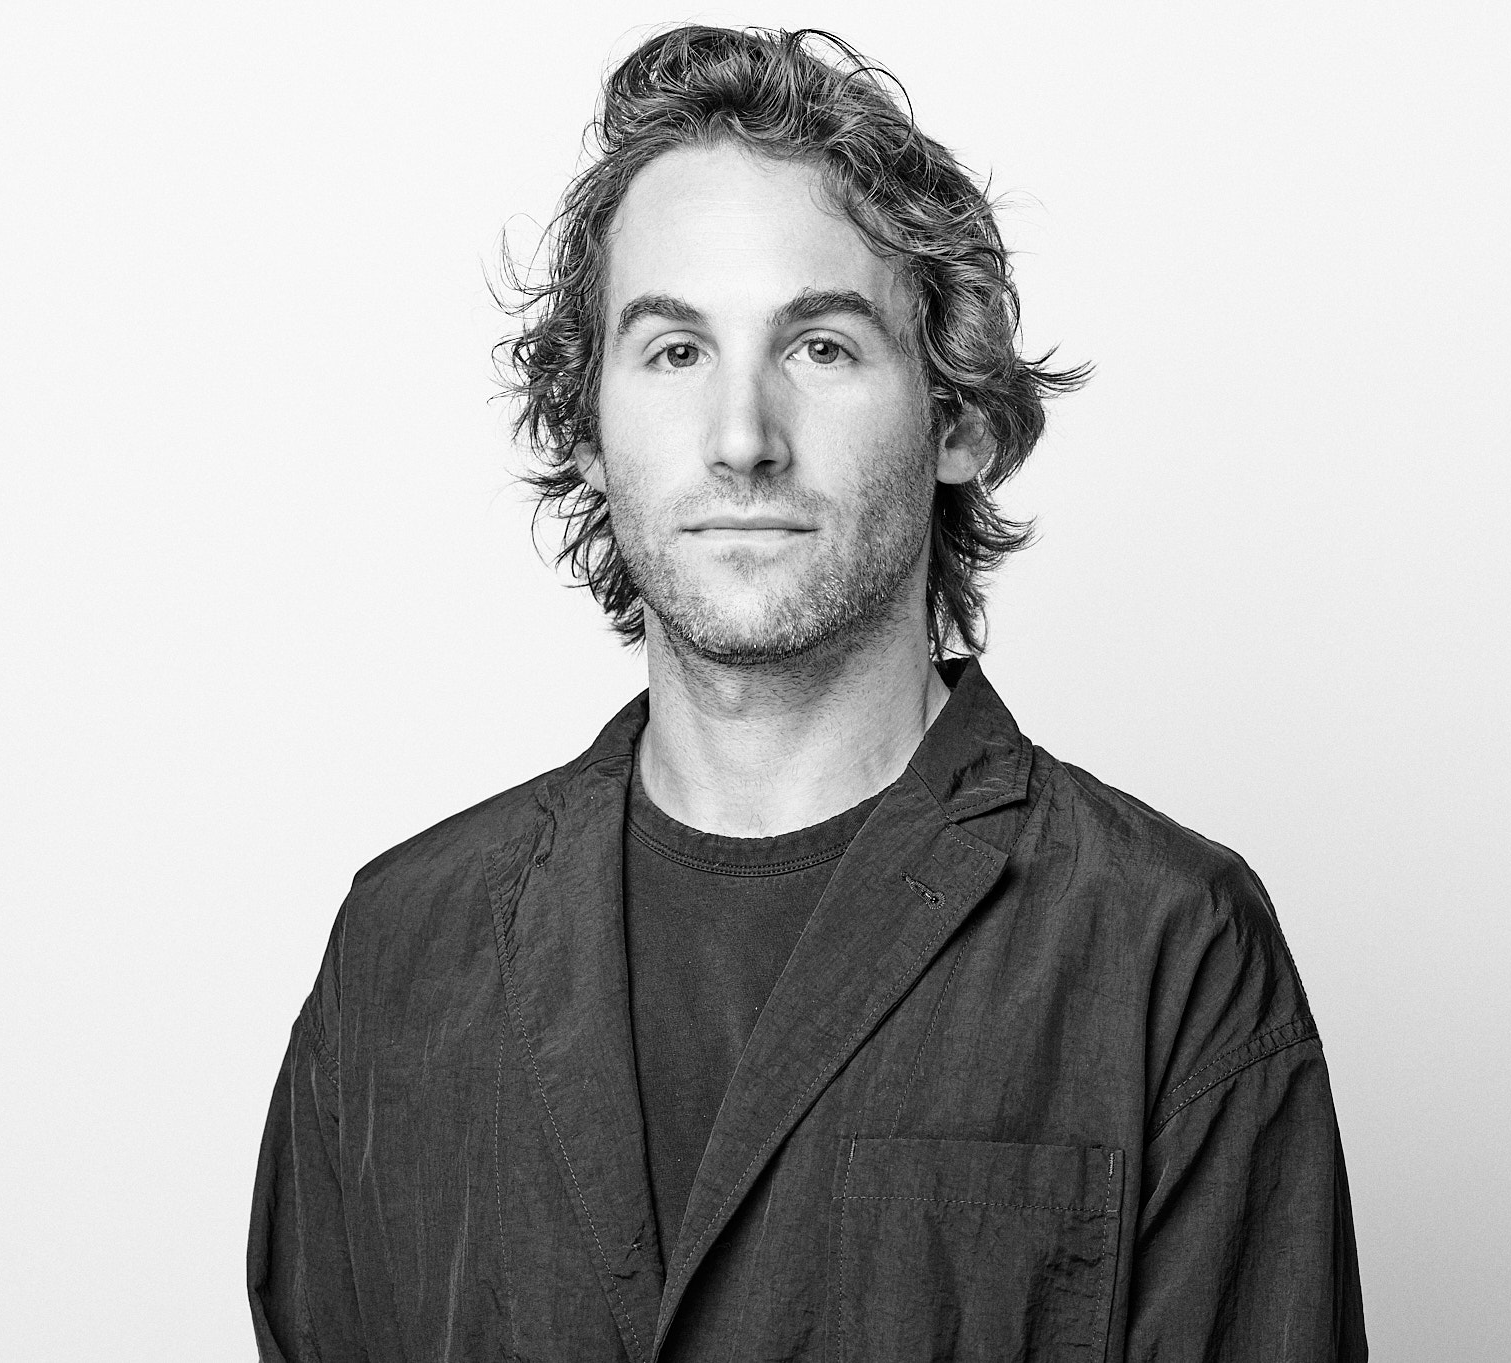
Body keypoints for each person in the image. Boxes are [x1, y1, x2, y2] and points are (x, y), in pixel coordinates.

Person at [249, 24, 1365, 1362]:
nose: (742, 439)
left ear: (958, 419)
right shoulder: (401, 952)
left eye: (822, 347)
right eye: (675, 352)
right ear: (588, 428)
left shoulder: (1167, 952)